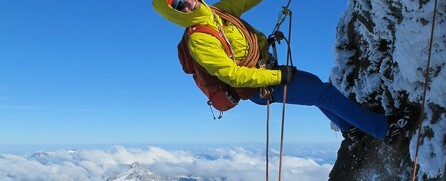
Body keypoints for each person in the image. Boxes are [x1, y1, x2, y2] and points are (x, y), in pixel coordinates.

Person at [152, 0, 410, 143]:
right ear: (173, 14)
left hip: (267, 72)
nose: (188, 3)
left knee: (319, 90)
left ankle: (350, 129)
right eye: (178, 5)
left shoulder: (220, 13)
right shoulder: (199, 40)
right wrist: (278, 77)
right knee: (323, 94)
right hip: (259, 85)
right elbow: (232, 75)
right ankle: (383, 129)